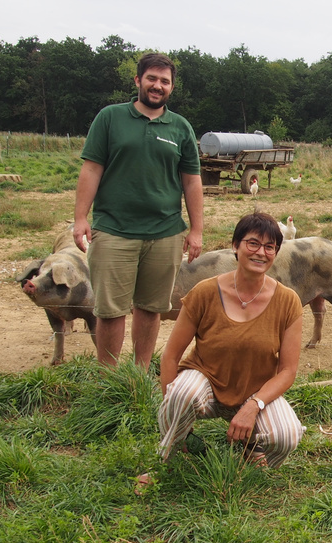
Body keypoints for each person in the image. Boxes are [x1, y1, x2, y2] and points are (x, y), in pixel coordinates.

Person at [73, 52, 204, 368]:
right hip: (113, 230)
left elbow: (191, 181)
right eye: (152, 78)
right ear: (138, 80)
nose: (158, 86)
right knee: (110, 310)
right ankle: (109, 379)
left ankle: (139, 375)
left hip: (165, 233)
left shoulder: (180, 127)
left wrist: (197, 230)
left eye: (165, 81)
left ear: (171, 87)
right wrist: (80, 218)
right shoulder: (110, 118)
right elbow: (91, 169)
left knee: (150, 308)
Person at [156, 212, 305, 468]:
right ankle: (168, 459)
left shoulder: (288, 301)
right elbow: (170, 356)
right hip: (205, 384)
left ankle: (250, 447)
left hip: (256, 390)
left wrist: (254, 405)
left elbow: (288, 371)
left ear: (276, 252)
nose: (261, 252)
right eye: (253, 243)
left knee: (286, 436)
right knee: (181, 394)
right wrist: (173, 416)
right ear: (235, 246)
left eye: (269, 247)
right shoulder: (204, 292)